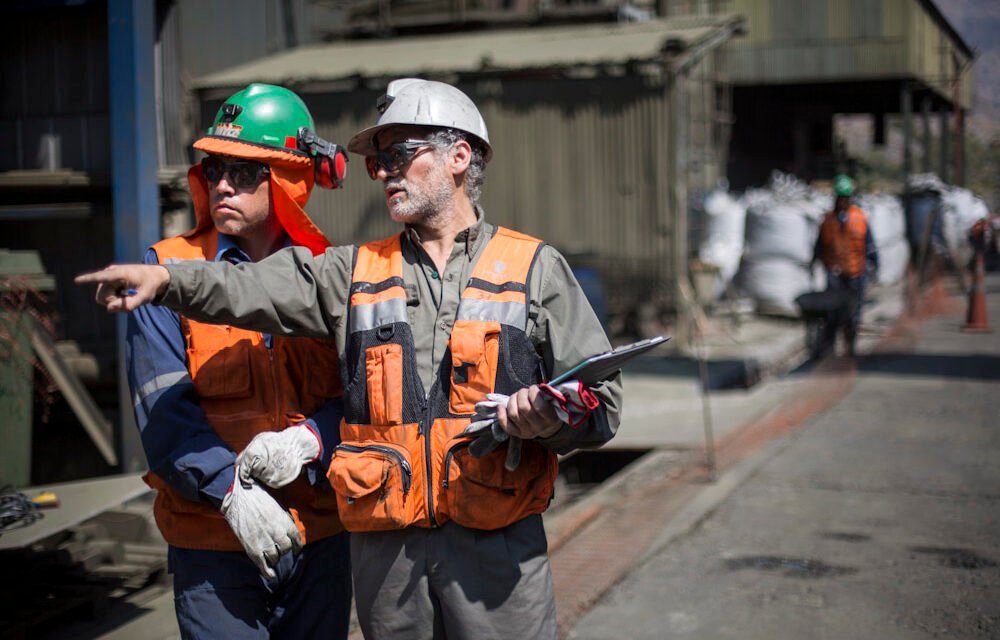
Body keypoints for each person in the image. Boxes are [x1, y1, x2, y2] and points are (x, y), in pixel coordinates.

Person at [77, 77, 623, 640]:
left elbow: (600, 404)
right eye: (375, 161)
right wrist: (166, 279)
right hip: (389, 563)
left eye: (399, 155)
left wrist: (550, 419)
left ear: (460, 156)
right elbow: (252, 289)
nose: (383, 171)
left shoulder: (534, 268)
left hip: (496, 556)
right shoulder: (352, 271)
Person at [124, 83, 351, 638]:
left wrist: (313, 441)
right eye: (216, 166)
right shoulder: (164, 275)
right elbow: (164, 412)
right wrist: (229, 491)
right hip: (213, 548)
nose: (223, 183)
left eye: (246, 172)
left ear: (291, 180)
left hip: (320, 542)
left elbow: (364, 397)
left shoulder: (333, 279)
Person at [811, 174, 878, 357]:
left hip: (856, 273)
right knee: (832, 313)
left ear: (850, 198)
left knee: (853, 313)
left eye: (845, 197)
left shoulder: (859, 218)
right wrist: (814, 263)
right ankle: (828, 349)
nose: (842, 201)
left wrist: (874, 266)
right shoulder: (827, 220)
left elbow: (870, 245)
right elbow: (819, 246)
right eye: (839, 197)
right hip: (835, 273)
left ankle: (850, 348)